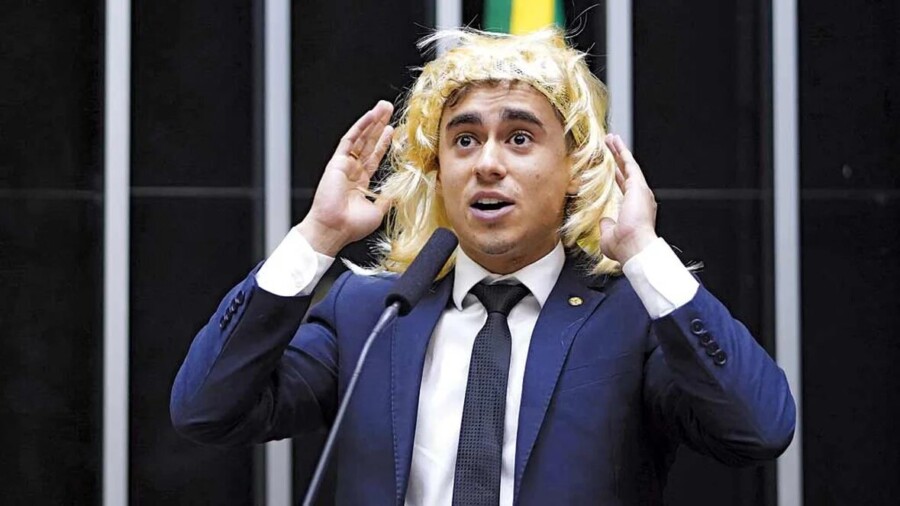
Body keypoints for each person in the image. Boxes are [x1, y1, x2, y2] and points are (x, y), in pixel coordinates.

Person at [170, 28, 795, 505]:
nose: (487, 164)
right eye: (464, 140)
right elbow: (206, 409)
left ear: (575, 168)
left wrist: (645, 254)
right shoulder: (371, 314)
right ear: (439, 170)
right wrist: (318, 236)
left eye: (519, 138)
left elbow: (759, 430)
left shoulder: (633, 321)